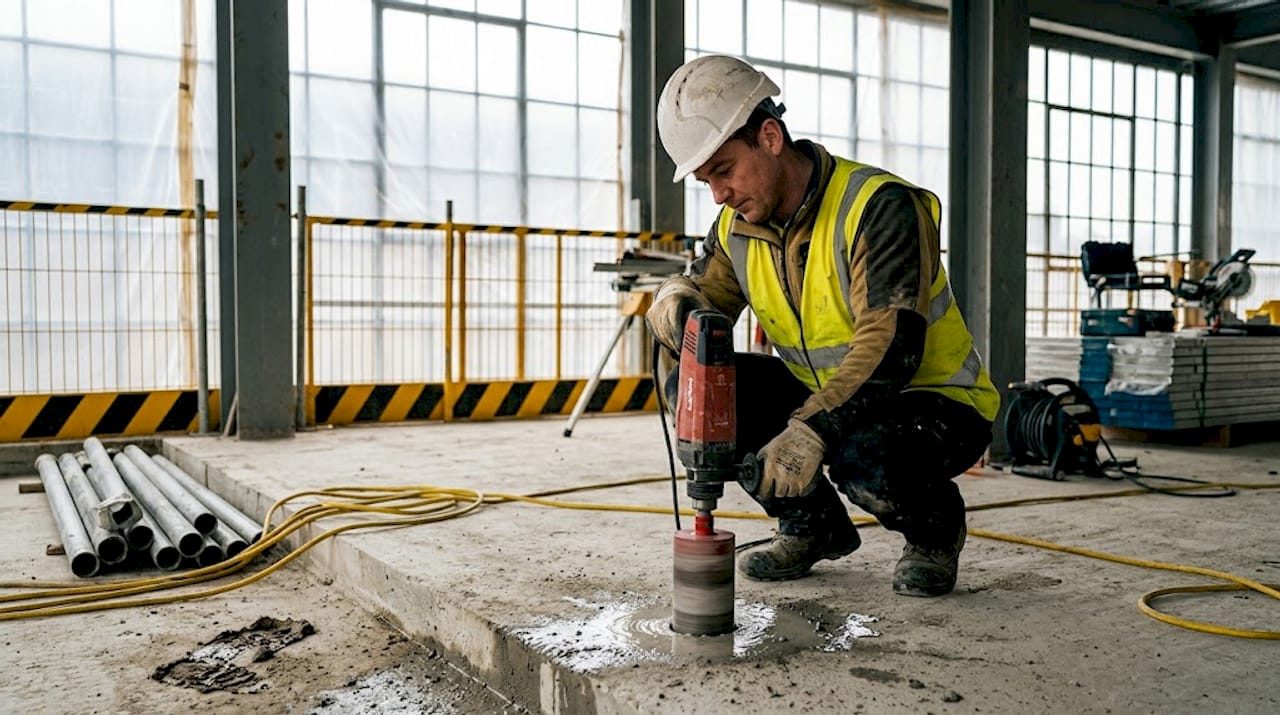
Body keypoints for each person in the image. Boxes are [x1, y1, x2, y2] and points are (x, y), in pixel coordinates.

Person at [647, 55, 1000, 597]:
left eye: (723, 171)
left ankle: (935, 533)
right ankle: (813, 527)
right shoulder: (738, 226)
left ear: (769, 137)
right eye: (705, 181)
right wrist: (676, 301)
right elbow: (706, 292)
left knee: (864, 459)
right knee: (711, 392)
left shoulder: (878, 208)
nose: (718, 194)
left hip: (933, 402)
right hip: (829, 396)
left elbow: (892, 348)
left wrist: (810, 431)